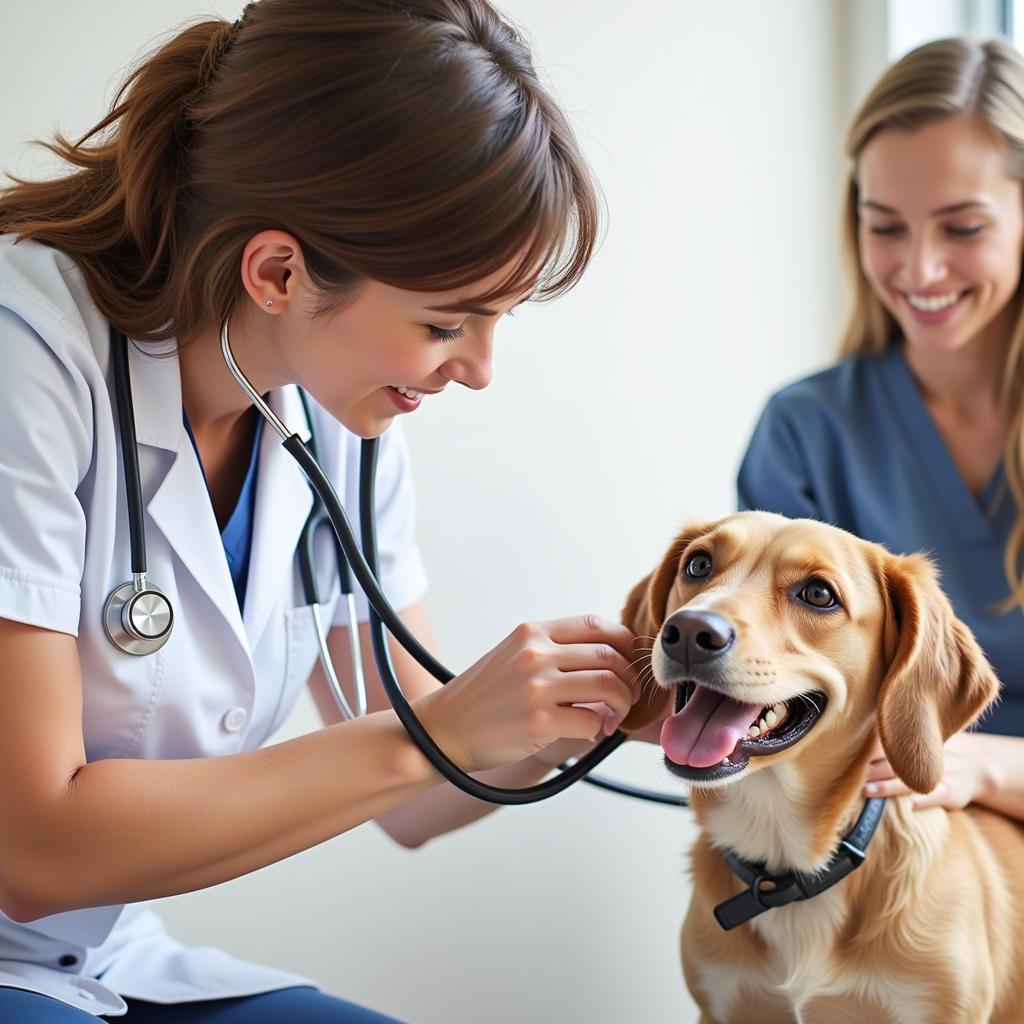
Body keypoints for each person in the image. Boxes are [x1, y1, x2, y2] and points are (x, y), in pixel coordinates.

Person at [0, 2, 644, 1020]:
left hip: (108, 957)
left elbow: (419, 799)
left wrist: (594, 708)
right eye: (444, 322)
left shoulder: (338, 416)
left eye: (495, 321)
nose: (476, 372)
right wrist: (443, 728)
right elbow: (33, 849)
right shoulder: (24, 353)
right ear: (277, 271)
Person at [737, 36, 1024, 824]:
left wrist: (987, 767)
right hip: (880, 855)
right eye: (887, 227)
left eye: (963, 228)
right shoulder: (805, 433)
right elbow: (769, 692)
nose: (921, 270)